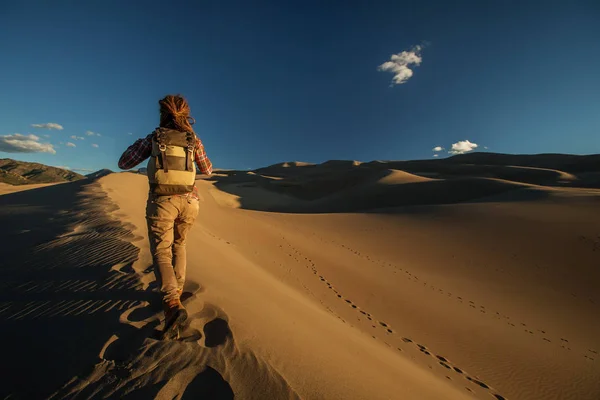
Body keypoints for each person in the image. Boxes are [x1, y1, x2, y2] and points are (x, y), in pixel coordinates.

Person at [118, 94, 212, 337]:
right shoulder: (194, 140)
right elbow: (208, 170)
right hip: (191, 201)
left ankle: (172, 303)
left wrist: (145, 145)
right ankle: (176, 293)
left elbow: (124, 163)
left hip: (162, 202)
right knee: (179, 246)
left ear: (162, 113)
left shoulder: (155, 137)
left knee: (161, 251)